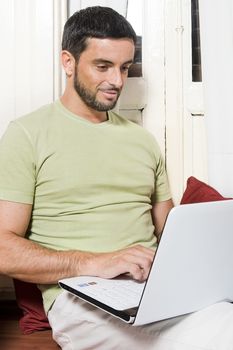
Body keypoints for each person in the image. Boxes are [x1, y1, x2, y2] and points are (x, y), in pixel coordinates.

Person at [0, 6, 233, 350]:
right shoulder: (27, 134)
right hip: (81, 297)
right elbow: (4, 249)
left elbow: (170, 232)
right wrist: (95, 263)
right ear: (68, 62)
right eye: (103, 66)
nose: (117, 81)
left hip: (152, 288)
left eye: (125, 67)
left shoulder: (142, 141)